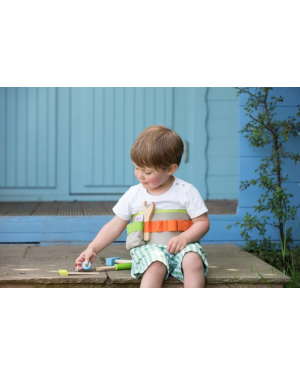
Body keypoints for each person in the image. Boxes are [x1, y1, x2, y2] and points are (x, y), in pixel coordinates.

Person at [75, 125, 210, 288]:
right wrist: (92, 248)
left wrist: (185, 238)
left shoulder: (186, 191)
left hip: (181, 247)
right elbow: (114, 226)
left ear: (170, 169)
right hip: (149, 250)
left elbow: (202, 222)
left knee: (193, 260)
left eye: (147, 172)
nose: (139, 175)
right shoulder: (134, 194)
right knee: (155, 265)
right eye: (136, 167)